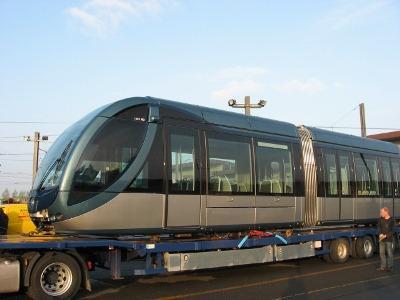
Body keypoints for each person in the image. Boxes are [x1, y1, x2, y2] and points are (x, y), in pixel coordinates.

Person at [377, 207, 396, 271]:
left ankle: (390, 267)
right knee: (381, 253)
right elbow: (378, 227)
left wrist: (386, 236)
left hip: (388, 239)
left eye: (382, 212)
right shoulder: (380, 219)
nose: (380, 213)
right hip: (381, 239)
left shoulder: (392, 220)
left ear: (386, 212)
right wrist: (380, 234)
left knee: (389, 253)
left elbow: (393, 230)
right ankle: (383, 267)